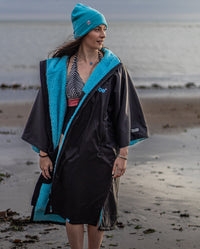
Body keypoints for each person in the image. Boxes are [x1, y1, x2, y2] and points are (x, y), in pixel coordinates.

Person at [22, 3, 148, 249]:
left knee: (98, 211)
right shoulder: (60, 69)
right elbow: (44, 110)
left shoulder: (113, 68)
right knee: (73, 209)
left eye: (105, 30)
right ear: (83, 32)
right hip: (69, 150)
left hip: (104, 151)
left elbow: (123, 112)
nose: (103, 35)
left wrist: (123, 154)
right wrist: (45, 153)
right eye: (98, 29)